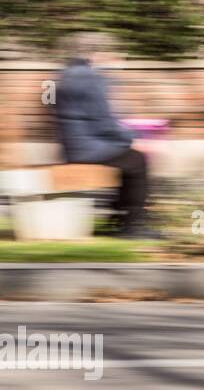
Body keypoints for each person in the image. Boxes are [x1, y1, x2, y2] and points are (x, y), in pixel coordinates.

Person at [53, 32, 161, 239]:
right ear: (96, 54)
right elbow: (105, 122)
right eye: (110, 53)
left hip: (74, 147)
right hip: (89, 150)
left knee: (128, 159)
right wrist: (135, 138)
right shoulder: (91, 78)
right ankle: (133, 225)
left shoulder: (65, 75)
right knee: (137, 160)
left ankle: (118, 218)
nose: (114, 58)